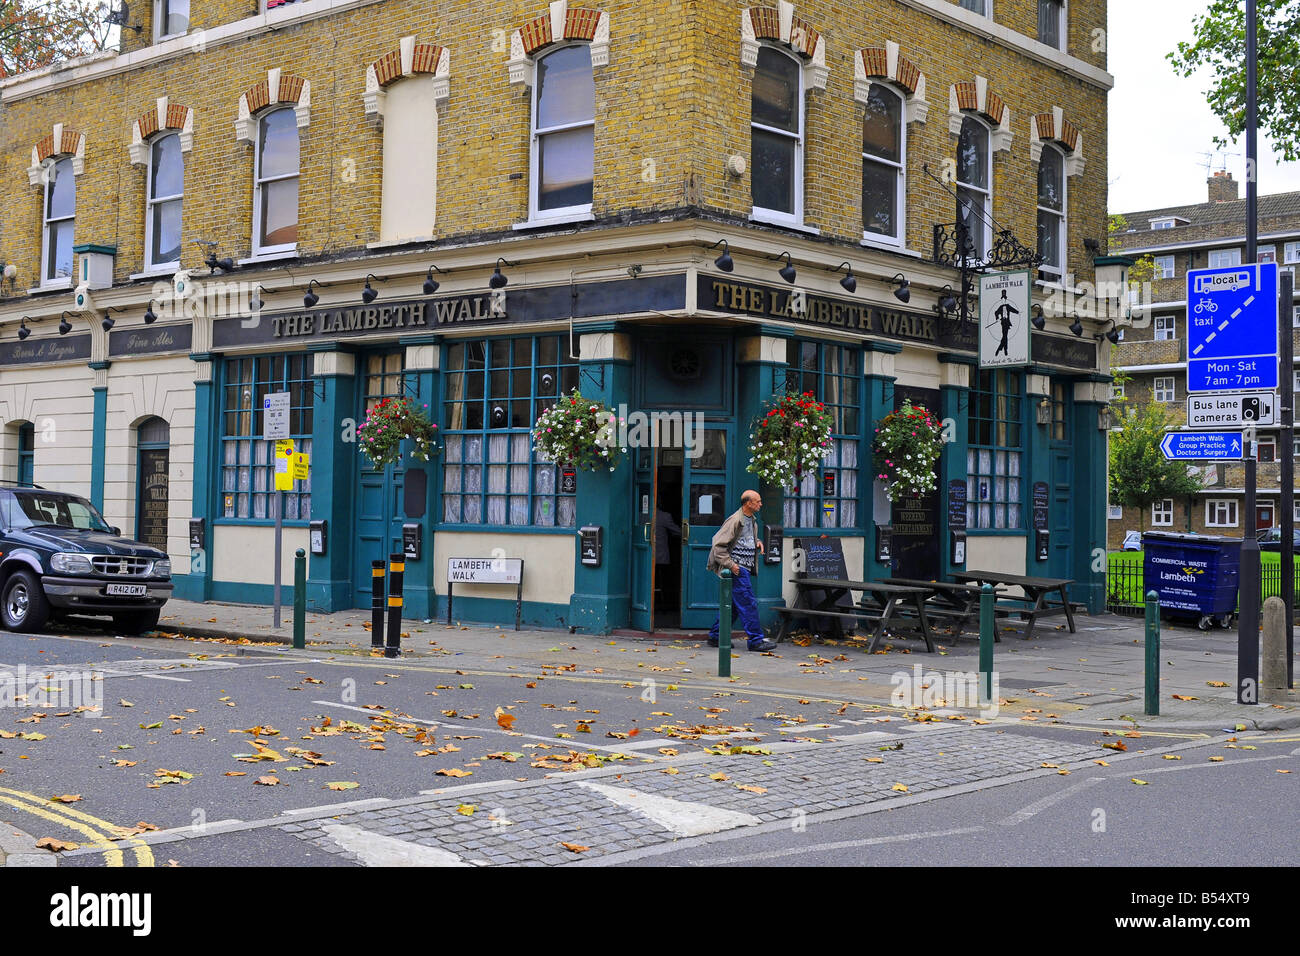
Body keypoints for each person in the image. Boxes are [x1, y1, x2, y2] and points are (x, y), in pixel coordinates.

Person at [706, 489, 777, 651]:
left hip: (742, 567)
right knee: (748, 603)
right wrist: (732, 565)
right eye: (757, 501)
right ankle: (755, 640)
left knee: (735, 606)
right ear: (748, 503)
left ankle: (716, 636)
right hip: (738, 568)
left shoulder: (750, 519)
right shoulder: (735, 520)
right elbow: (718, 545)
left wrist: (757, 542)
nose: (761, 503)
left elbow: (744, 538)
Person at [992, 288, 1019, 357]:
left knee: (1005, 336)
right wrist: (997, 318)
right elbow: (996, 312)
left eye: (1004, 299)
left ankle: (1000, 349)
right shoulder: (1000, 307)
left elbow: (1013, 310)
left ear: (1006, 299)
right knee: (1005, 336)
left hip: (1007, 322)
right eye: (1002, 299)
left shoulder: (1008, 306)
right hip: (1003, 322)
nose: (1003, 300)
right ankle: (1003, 349)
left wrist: (1018, 312)